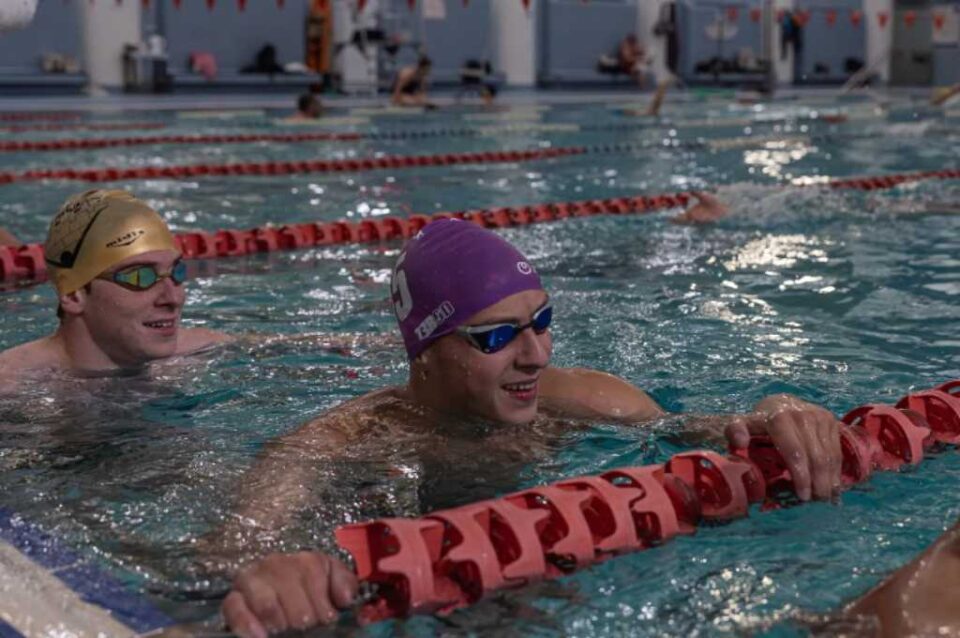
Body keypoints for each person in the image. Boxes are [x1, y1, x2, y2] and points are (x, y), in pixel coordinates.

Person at [219, 219, 846, 635]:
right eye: (496, 336)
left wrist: (780, 409)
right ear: (425, 353)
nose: (537, 355)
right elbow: (232, 553)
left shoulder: (587, 399)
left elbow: (710, 431)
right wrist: (268, 574)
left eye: (541, 321)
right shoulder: (337, 445)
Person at [0, 190, 230, 382]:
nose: (173, 298)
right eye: (140, 277)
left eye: (176, 272)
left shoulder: (203, 350)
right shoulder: (14, 386)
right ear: (73, 295)